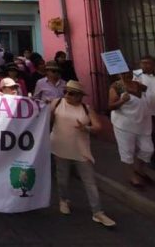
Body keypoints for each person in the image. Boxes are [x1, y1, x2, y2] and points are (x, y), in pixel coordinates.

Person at [50, 80, 116, 227]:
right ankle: (63, 200)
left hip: (81, 150)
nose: (67, 95)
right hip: (60, 147)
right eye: (65, 92)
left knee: (90, 182)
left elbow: (98, 126)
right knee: (62, 177)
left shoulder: (86, 109)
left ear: (80, 96)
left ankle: (97, 212)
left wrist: (86, 128)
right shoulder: (57, 103)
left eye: (71, 93)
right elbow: (44, 118)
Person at [108, 71, 152, 188]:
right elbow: (111, 106)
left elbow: (148, 94)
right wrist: (122, 101)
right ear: (118, 74)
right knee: (127, 151)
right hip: (124, 124)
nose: (127, 75)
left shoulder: (138, 85)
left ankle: (139, 169)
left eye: (129, 72)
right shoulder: (116, 87)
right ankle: (132, 177)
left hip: (143, 123)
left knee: (148, 150)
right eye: (123, 73)